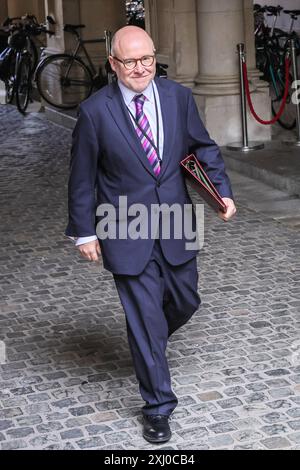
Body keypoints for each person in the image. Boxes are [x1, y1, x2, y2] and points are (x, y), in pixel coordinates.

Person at [66, 25, 236, 444]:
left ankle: (149, 343)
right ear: (113, 64)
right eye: (130, 61)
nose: (140, 68)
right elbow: (82, 177)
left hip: (178, 222)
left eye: (147, 59)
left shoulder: (177, 97)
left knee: (185, 300)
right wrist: (84, 232)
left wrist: (222, 193)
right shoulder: (94, 112)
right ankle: (158, 406)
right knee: (143, 318)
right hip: (123, 228)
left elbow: (202, 148)